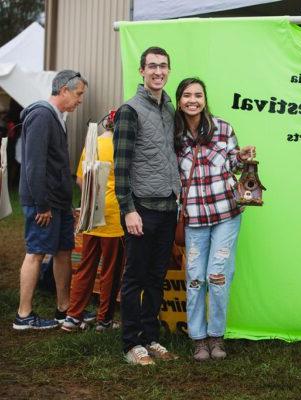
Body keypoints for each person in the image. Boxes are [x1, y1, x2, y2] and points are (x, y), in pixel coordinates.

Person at [174, 77, 255, 362]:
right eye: (186, 95)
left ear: (204, 98)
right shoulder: (174, 133)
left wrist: (242, 157)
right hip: (194, 217)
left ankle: (217, 336)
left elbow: (233, 165)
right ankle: (198, 338)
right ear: (179, 99)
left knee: (217, 277)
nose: (192, 100)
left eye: (197, 95)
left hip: (225, 214)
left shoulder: (223, 128)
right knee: (195, 278)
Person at [113, 47, 180, 365]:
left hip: (168, 207)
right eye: (152, 66)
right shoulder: (130, 110)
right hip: (142, 209)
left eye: (163, 66)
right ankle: (131, 344)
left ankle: (151, 337)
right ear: (141, 71)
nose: (158, 71)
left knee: (156, 277)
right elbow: (121, 166)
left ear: (169, 70)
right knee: (134, 279)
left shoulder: (169, 109)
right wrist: (128, 209)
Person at [13, 70, 87, 330]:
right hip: (43, 203)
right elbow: (33, 164)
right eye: (78, 94)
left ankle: (64, 309)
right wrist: (41, 204)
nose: (80, 100)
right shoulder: (42, 115)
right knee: (36, 253)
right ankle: (24, 315)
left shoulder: (57, 117)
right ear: (63, 90)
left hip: (59, 202)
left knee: (63, 251)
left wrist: (64, 203)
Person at [62, 111, 125, 332]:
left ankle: (73, 316)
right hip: (115, 217)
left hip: (91, 212)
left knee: (85, 266)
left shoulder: (93, 142)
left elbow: (80, 179)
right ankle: (104, 320)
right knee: (111, 269)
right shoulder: (124, 146)